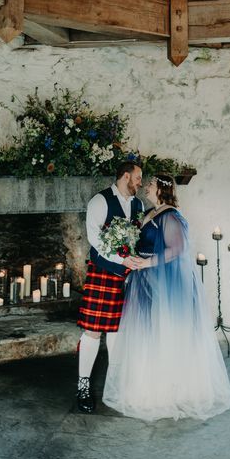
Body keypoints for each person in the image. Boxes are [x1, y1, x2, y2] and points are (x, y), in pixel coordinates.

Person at [103, 174, 230, 421]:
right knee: (147, 331)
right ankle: (144, 390)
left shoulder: (171, 216)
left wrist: (146, 262)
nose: (146, 187)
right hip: (144, 279)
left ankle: (169, 392)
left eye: (150, 184)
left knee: (162, 329)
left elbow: (177, 249)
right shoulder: (151, 212)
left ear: (162, 189)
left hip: (162, 281)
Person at [76, 160, 144, 413]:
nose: (140, 183)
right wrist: (121, 259)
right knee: (93, 332)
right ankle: (83, 386)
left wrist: (140, 260)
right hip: (103, 274)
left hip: (127, 276)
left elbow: (139, 236)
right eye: (138, 177)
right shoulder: (100, 201)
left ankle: (115, 386)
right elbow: (94, 239)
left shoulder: (138, 204)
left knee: (118, 332)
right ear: (125, 176)